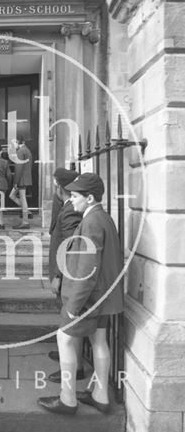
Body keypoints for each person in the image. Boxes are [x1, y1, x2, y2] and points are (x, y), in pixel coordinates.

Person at [38, 173, 124, 415]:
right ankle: (101, 396)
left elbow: (87, 269)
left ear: (90, 197)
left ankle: (68, 399)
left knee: (64, 338)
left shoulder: (92, 222)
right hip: (103, 297)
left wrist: (74, 306)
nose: (72, 200)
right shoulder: (103, 218)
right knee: (99, 340)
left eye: (76, 196)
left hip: (89, 298)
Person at [47, 168, 83, 384]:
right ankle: (69, 357)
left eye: (55, 184)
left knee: (70, 321)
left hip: (66, 274)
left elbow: (69, 246)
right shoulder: (67, 205)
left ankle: (75, 368)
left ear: (60, 187)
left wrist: (58, 275)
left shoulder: (70, 209)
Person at [10, 136, 33, 229]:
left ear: (17, 142)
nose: (13, 146)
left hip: (21, 179)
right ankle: (27, 213)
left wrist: (15, 182)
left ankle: (25, 222)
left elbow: (18, 168)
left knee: (23, 199)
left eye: (13, 144)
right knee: (12, 196)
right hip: (25, 178)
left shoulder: (20, 151)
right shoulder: (27, 150)